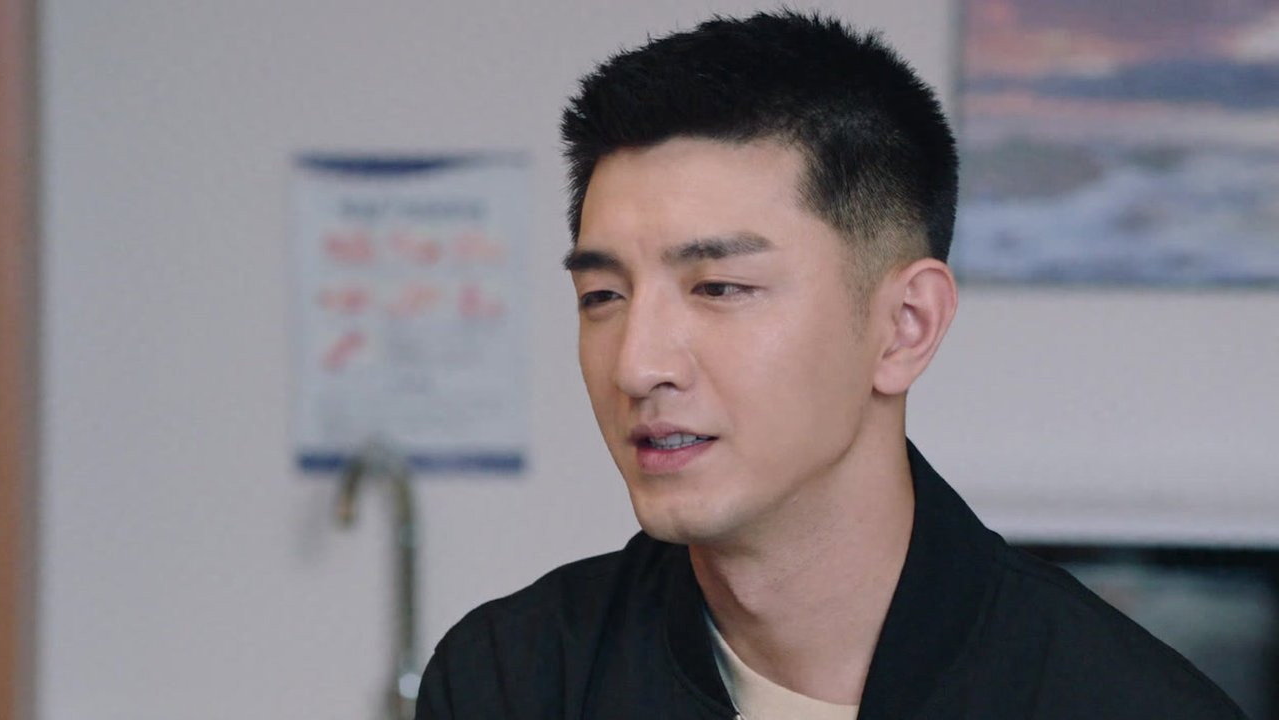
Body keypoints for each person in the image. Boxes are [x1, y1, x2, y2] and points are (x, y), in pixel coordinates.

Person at [417, 11, 1247, 719]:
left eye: (719, 287)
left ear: (905, 327)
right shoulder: (514, 680)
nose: (637, 365)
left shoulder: (1120, 701)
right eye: (603, 295)